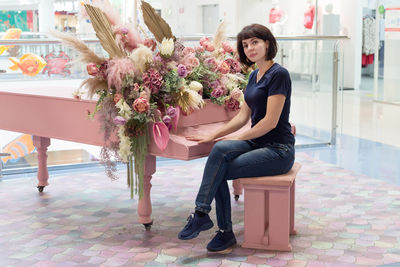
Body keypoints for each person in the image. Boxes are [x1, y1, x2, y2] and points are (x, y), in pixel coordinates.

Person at [178, 23, 295, 252]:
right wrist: (213, 137)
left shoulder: (279, 74)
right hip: (257, 144)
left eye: (255, 42)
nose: (250, 48)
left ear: (267, 43)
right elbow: (242, 117)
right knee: (219, 153)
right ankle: (203, 214)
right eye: (245, 45)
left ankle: (222, 231)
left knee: (218, 169)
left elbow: (269, 123)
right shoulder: (253, 76)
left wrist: (238, 140)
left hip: (278, 149)